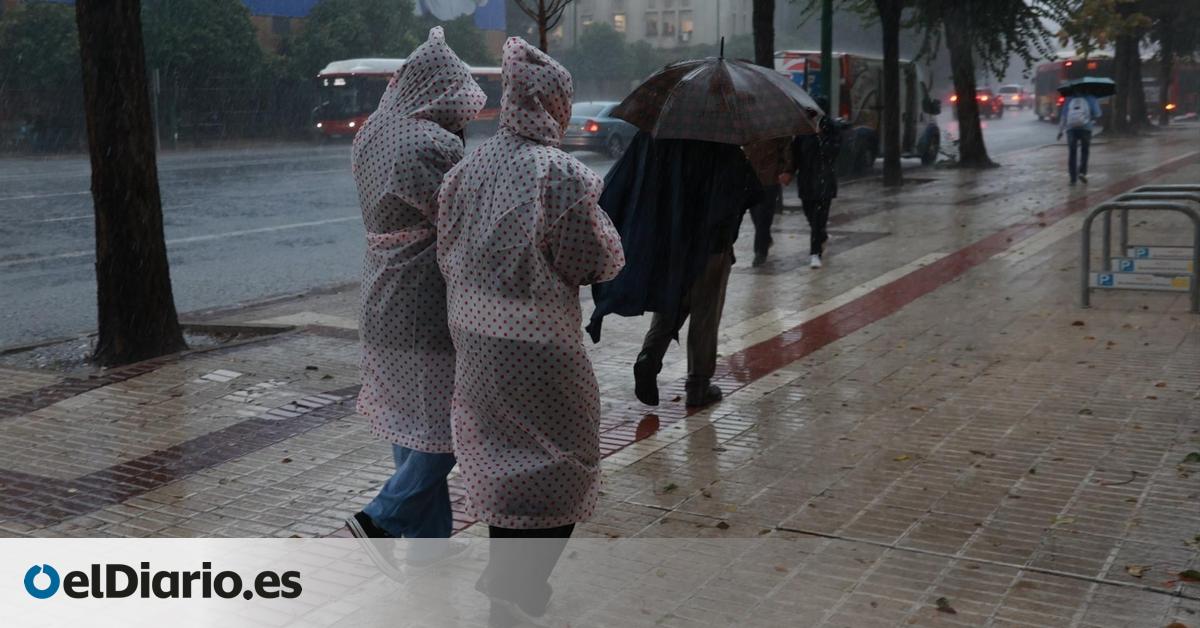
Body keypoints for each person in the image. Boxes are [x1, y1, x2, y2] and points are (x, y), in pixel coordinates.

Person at [436, 37, 625, 622]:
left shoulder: (465, 172)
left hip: (474, 347)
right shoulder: (561, 174)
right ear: (553, 104)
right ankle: (513, 586)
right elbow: (596, 259)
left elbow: (445, 249)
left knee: (502, 469)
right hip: (542, 356)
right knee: (565, 466)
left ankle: (509, 597)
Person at [346, 27, 486, 551]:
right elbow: (460, 219)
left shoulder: (371, 132)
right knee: (452, 430)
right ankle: (380, 517)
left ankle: (430, 544)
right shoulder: (434, 143)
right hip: (424, 298)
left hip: (379, 290)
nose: (461, 117)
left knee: (409, 424)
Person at [586, 131, 763, 408]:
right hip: (711, 241)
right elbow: (745, 190)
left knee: (672, 299)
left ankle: (649, 356)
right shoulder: (720, 139)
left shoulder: (659, 134)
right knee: (706, 310)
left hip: (671, 238)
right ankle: (698, 385)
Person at [787, 97, 843, 269]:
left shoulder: (831, 129)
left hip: (824, 181)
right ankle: (822, 236)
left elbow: (834, 152)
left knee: (819, 218)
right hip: (806, 181)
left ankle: (815, 253)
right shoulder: (803, 131)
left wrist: (822, 139)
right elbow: (795, 154)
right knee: (810, 215)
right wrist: (788, 171)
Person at [744, 137, 793, 267]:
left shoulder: (775, 129)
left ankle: (760, 251)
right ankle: (766, 239)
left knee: (763, 216)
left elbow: (786, 150)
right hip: (751, 176)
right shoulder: (750, 127)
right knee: (754, 212)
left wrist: (785, 170)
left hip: (770, 178)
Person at [1057, 92, 1101, 184]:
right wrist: (1091, 117)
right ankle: (1082, 172)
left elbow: (1064, 116)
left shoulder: (1069, 98)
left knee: (1072, 153)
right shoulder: (1090, 97)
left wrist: (1060, 131)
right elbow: (1097, 114)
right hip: (1086, 128)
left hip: (1071, 128)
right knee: (1085, 151)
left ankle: (1073, 178)